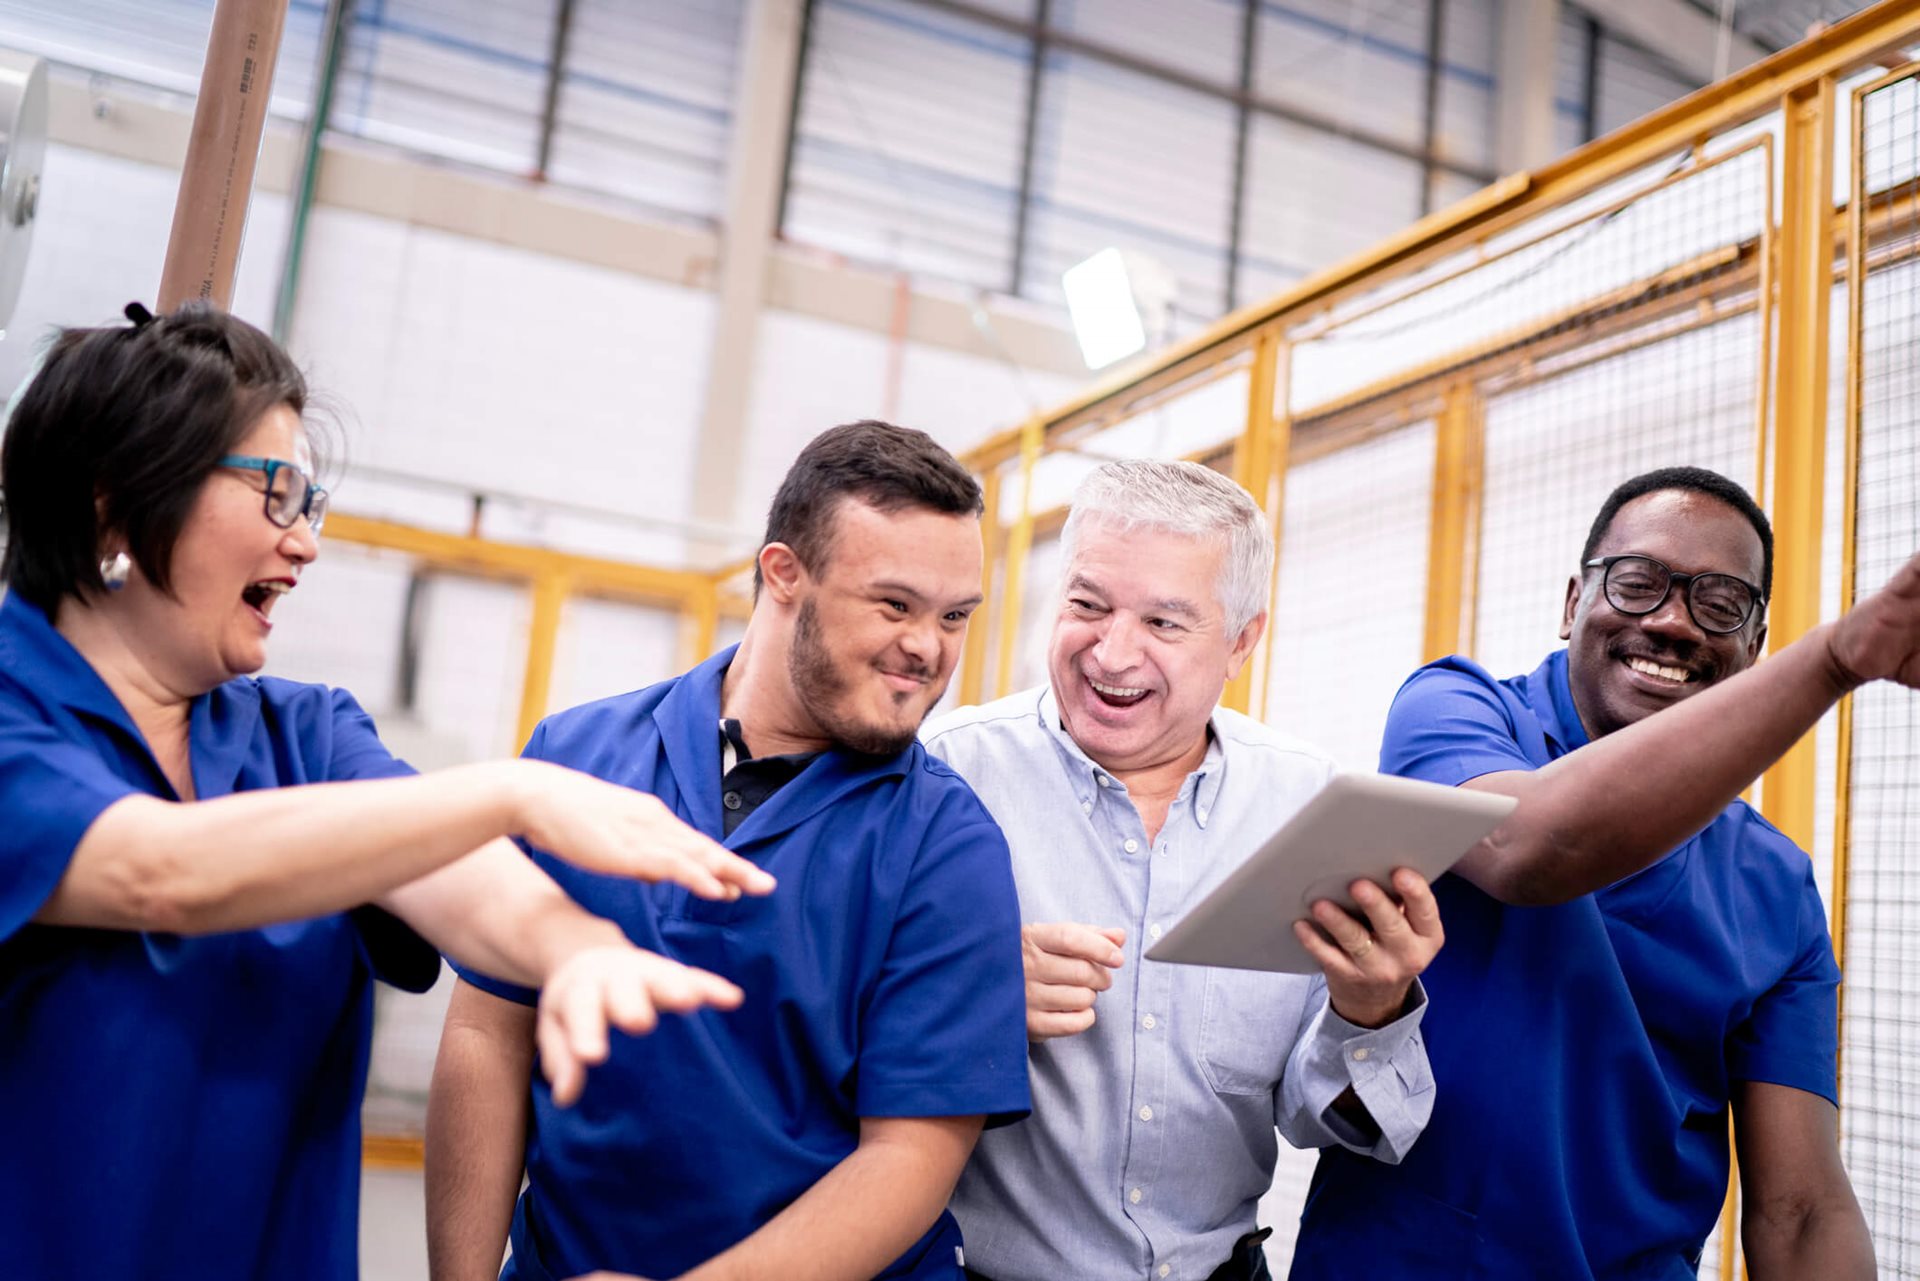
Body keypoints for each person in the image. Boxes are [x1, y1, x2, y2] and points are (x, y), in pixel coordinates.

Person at [0, 303, 774, 1281]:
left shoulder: (305, 733)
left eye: (308, 503)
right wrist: (513, 790)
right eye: (276, 494)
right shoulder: (14, 718)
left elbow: (458, 879)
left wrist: (573, 950)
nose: (305, 544)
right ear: (113, 504)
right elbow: (161, 869)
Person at [426, 420, 1032, 1281]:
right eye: (895, 605)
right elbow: (491, 1030)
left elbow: (909, 1160)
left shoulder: (947, 845)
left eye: (955, 616)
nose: (928, 647)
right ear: (784, 574)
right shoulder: (576, 757)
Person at [1291, 466, 1908, 1279]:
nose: (1675, 622)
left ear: (1753, 645)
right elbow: (1531, 847)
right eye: (1639, 583)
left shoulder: (1775, 886)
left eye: (1720, 603)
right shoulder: (1458, 710)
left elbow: (1800, 1210)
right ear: (1573, 602)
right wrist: (1833, 659)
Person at [922, 459, 1444, 1281]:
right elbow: (815, 1033)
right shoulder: (944, 776)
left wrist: (1369, 1009)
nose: (1112, 651)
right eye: (1087, 605)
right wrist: (964, 994)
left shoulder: (1307, 805)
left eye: (1165, 623)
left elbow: (1325, 1122)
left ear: (1242, 641)